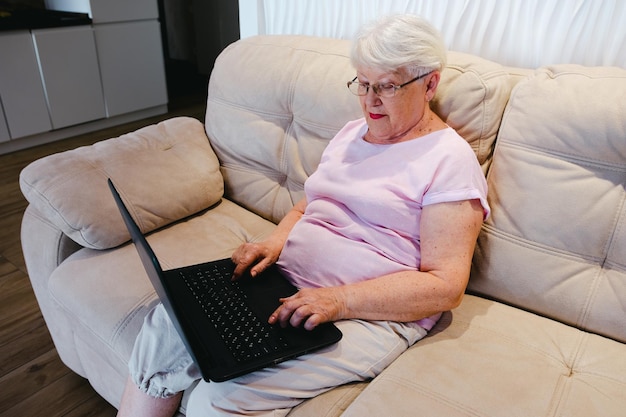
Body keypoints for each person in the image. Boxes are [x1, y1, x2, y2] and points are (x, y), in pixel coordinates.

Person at [117, 14, 489, 417]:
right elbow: (308, 204)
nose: (370, 101)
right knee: (166, 323)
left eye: (387, 86)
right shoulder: (350, 134)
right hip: (287, 283)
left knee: (220, 398)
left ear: (430, 84)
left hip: (372, 315)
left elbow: (446, 286)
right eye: (362, 83)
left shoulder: (448, 160)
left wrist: (339, 300)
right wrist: (274, 243)